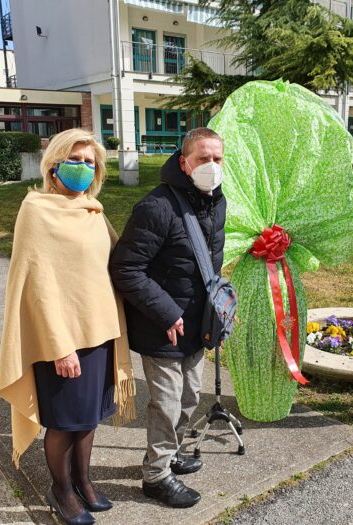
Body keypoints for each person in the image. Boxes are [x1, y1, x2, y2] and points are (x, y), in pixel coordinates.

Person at [0, 129, 136, 525]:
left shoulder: (93, 210)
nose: (83, 168)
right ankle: (61, 490)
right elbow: (36, 285)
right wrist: (60, 347)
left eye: (90, 162)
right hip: (62, 342)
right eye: (75, 160)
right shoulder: (37, 210)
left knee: (88, 418)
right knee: (64, 423)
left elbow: (117, 263)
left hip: (100, 335)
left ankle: (83, 480)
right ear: (54, 165)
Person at [109, 127, 226, 508]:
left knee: (191, 397)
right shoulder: (157, 206)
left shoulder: (215, 201)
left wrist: (218, 306)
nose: (211, 166)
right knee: (167, 402)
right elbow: (126, 268)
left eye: (217, 159)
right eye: (202, 158)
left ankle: (170, 454)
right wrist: (166, 312)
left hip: (197, 324)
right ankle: (156, 476)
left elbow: (209, 263)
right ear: (184, 162)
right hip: (163, 326)